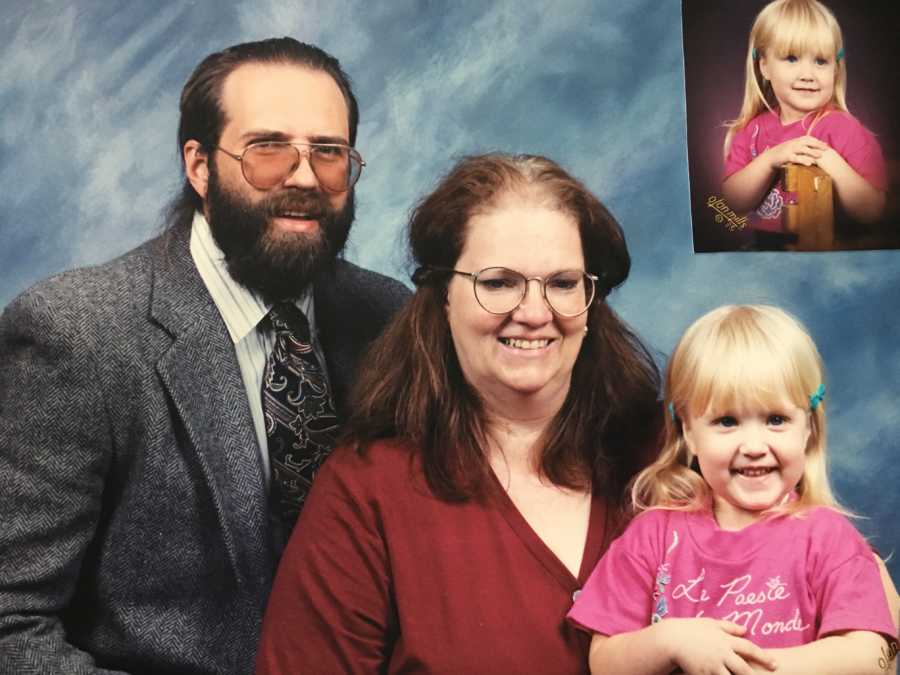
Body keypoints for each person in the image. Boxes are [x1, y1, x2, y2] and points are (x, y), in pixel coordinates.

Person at [0, 38, 409, 674]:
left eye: (328, 153)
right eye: (267, 149)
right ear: (198, 166)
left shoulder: (389, 317)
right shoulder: (78, 333)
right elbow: (10, 622)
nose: (303, 176)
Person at [253, 153, 662, 674]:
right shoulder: (369, 490)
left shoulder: (673, 454)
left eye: (562, 283)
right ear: (444, 295)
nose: (535, 313)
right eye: (498, 283)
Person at [568, 305, 898, 675]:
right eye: (727, 421)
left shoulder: (829, 538)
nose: (754, 445)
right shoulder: (652, 536)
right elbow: (604, 662)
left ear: (809, 428)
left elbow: (869, 655)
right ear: (689, 433)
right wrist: (672, 641)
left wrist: (760, 668)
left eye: (776, 420)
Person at [721, 0, 887, 244]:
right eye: (791, 58)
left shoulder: (844, 129)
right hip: (763, 250)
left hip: (826, 251)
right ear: (764, 66)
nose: (808, 75)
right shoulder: (752, 130)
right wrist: (770, 159)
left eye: (820, 61)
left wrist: (830, 160)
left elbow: (871, 211)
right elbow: (734, 203)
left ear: (836, 70)